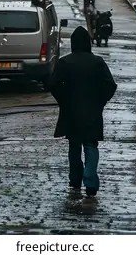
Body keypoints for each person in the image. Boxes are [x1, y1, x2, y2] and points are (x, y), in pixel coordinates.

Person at [51, 26, 117, 197]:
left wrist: (64, 100)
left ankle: (75, 179)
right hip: (92, 111)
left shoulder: (65, 62)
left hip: (71, 112)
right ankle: (90, 180)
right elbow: (110, 85)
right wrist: (100, 101)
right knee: (90, 145)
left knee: (74, 146)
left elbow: (53, 85)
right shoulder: (97, 62)